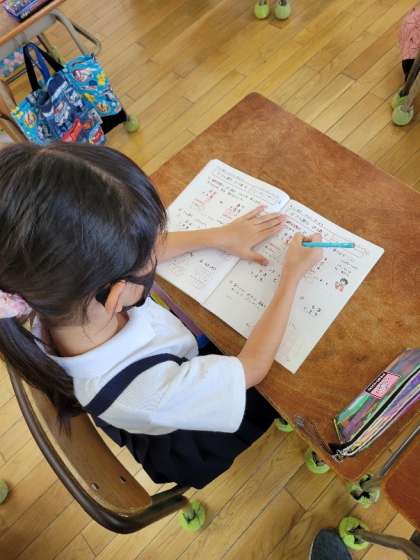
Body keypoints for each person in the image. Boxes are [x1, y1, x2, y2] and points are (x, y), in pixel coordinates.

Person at [0, 143, 322, 489]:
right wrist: (291, 276)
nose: (156, 248)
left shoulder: (51, 292)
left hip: (158, 380)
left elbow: (131, 253)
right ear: (117, 294)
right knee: (285, 389)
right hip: (187, 433)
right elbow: (253, 368)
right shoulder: (149, 392)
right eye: (146, 255)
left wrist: (220, 236)